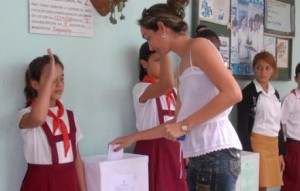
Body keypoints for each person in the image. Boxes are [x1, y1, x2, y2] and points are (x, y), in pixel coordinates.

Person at [110, 0, 243, 190]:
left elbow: (233, 93)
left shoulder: (199, 46)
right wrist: (133, 138)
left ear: (162, 28)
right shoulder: (182, 66)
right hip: (200, 156)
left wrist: (184, 125)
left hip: (216, 152)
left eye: (148, 37)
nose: (150, 45)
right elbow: (174, 123)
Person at [18, 49, 86, 191]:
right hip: (40, 184)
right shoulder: (26, 114)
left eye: (61, 78)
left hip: (69, 183)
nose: (59, 84)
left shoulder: (69, 116)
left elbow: (77, 159)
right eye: (52, 79)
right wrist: (49, 82)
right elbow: (38, 118)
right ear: (35, 84)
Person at [133, 42, 188, 191]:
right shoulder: (140, 89)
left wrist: (185, 149)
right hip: (151, 150)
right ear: (144, 64)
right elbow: (167, 83)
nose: (164, 65)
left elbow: (182, 122)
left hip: (175, 151)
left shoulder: (175, 92)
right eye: (158, 60)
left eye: (166, 60)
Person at [237, 51, 285, 191]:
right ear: (254, 69)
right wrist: (248, 152)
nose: (263, 72)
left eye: (267, 68)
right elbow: (242, 126)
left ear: (273, 71)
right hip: (256, 144)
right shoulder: (248, 93)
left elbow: (278, 124)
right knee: (252, 185)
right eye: (259, 67)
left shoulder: (274, 93)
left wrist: (280, 152)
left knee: (264, 185)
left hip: (273, 145)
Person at [281, 63, 300, 191]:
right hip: (294, 147)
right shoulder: (290, 99)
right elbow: (281, 123)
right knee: (292, 184)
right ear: (296, 79)